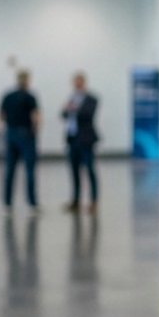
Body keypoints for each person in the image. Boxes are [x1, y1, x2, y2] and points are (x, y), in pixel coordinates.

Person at [0, 70, 40, 213]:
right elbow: (36, 117)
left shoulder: (8, 96)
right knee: (29, 169)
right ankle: (32, 203)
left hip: (10, 133)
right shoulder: (30, 97)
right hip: (25, 134)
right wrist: (34, 132)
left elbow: (1, 116)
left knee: (10, 169)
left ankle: (7, 203)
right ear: (27, 80)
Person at [61, 71, 100, 213]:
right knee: (74, 171)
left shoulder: (91, 98)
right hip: (72, 139)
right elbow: (63, 114)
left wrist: (74, 109)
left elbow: (88, 114)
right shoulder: (71, 98)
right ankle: (76, 200)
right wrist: (69, 108)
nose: (77, 84)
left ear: (84, 82)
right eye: (75, 81)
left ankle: (94, 201)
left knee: (89, 170)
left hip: (86, 140)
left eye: (79, 81)